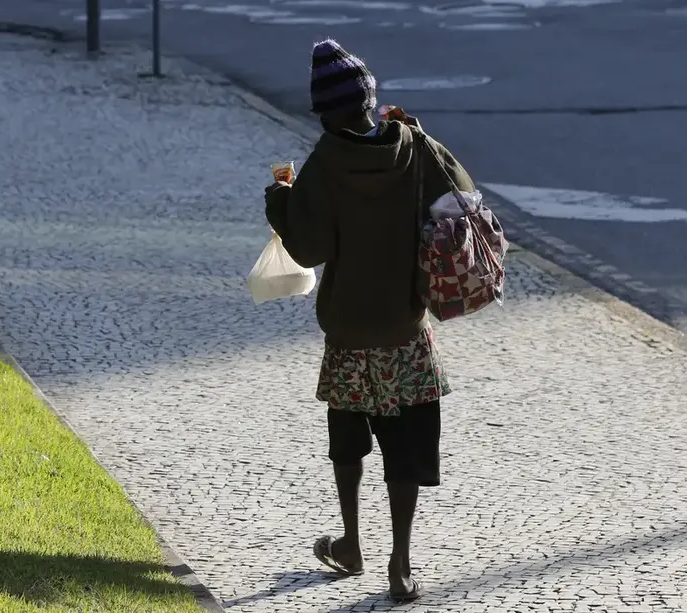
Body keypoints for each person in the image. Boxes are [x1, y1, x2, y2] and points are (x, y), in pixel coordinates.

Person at [263, 38, 475, 603]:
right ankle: (400, 564)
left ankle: (352, 543)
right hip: (406, 331)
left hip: (351, 335)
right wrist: (421, 134)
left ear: (327, 113)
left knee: (349, 444)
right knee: (406, 447)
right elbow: (464, 196)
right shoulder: (413, 145)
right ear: (370, 101)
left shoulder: (325, 163)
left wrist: (279, 200)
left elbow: (307, 250)